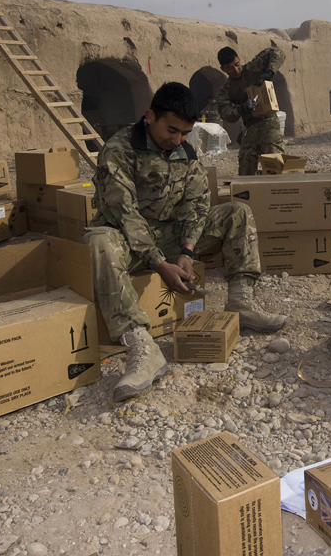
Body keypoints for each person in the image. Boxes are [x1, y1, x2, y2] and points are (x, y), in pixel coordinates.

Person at [84, 82, 288, 402]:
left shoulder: (184, 151)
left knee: (237, 212)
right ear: (150, 116)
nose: (177, 139)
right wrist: (159, 263)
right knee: (98, 241)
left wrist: (187, 252)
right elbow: (124, 214)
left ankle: (241, 303)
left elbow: (196, 204)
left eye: (184, 133)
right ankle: (142, 347)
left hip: (169, 234)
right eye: (172, 130)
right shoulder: (118, 149)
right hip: (126, 236)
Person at [215, 47, 286, 175]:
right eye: (230, 68)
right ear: (223, 69)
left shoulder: (254, 67)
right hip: (249, 128)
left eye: (237, 64)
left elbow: (277, 52)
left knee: (276, 166)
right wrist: (240, 109)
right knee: (245, 171)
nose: (236, 70)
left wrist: (269, 72)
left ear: (239, 60)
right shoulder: (226, 89)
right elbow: (225, 113)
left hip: (268, 123)